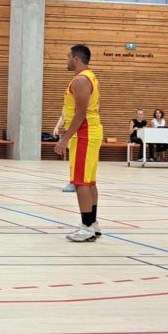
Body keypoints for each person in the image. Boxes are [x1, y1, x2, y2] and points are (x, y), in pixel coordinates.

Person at [54, 45, 103, 242]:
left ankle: (86, 227)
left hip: (84, 134)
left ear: (76, 58)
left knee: (81, 182)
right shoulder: (89, 76)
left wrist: (64, 138)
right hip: (90, 132)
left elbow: (81, 113)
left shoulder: (81, 80)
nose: (66, 60)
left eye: (68, 56)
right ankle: (93, 224)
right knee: (89, 182)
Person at [53, 114, 75, 193]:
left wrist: (65, 139)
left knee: (78, 160)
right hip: (72, 135)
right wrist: (57, 127)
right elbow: (64, 115)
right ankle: (74, 181)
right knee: (73, 160)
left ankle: (76, 182)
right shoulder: (67, 107)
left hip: (80, 134)